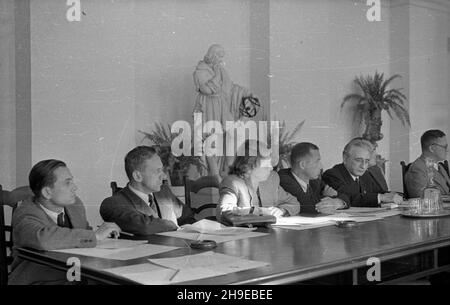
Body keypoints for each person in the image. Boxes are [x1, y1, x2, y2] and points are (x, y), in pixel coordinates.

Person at [9, 159, 120, 285]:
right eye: (68, 183)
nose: (75, 187)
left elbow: (85, 233)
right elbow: (43, 239)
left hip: (76, 277)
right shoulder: (25, 213)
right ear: (47, 192)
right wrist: (95, 236)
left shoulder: (74, 205)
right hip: (40, 281)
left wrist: (106, 238)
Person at [100, 146, 195, 236]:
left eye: (162, 170)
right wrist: (173, 225)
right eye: (158, 171)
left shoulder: (164, 192)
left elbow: (188, 219)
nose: (164, 176)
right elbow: (144, 226)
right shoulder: (113, 204)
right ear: (137, 176)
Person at [192, 44, 253, 180]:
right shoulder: (200, 71)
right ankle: (214, 175)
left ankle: (228, 171)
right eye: (219, 56)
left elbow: (230, 87)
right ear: (212, 55)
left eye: (222, 56)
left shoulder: (220, 70)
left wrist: (244, 92)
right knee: (211, 139)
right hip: (209, 107)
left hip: (222, 107)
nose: (221, 59)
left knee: (231, 134)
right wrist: (218, 74)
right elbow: (207, 90)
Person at [216, 141, 300, 222]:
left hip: (269, 234)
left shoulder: (271, 179)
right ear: (249, 166)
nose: (271, 168)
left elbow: (294, 203)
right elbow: (224, 212)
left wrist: (282, 210)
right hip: (244, 235)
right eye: (266, 165)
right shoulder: (233, 182)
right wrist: (259, 211)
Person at [322, 138, 403, 207]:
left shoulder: (365, 175)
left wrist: (395, 196)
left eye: (366, 161)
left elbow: (380, 192)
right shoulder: (332, 175)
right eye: (358, 160)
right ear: (345, 158)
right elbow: (350, 197)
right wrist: (380, 197)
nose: (363, 166)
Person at [278, 142, 348, 214]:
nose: (321, 167)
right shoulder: (284, 178)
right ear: (303, 165)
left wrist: (336, 203)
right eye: (317, 162)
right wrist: (327, 198)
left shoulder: (314, 180)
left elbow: (345, 197)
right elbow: (306, 205)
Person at [405, 129, 450, 198]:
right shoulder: (417, 169)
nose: (447, 150)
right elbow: (420, 197)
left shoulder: (440, 167)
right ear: (432, 148)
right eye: (444, 147)